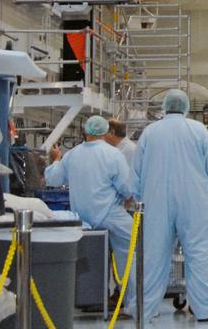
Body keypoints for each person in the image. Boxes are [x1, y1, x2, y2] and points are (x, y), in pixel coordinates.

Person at [135, 89, 208, 322]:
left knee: (154, 256)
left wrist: (138, 198)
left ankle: (144, 310)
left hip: (155, 201)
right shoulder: (198, 130)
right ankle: (205, 310)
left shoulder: (149, 132)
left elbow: (136, 172)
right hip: (194, 200)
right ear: (185, 107)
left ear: (165, 107)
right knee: (198, 254)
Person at [44, 115, 138, 311]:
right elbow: (126, 188)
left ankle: (92, 298)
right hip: (111, 215)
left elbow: (53, 179)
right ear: (105, 132)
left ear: (85, 131)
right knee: (129, 253)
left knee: (92, 259)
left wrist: (56, 159)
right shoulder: (113, 154)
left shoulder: (72, 155)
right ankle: (133, 303)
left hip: (83, 219)